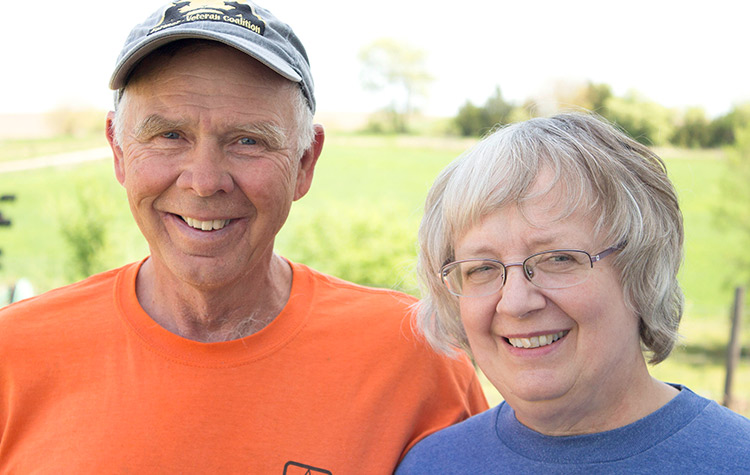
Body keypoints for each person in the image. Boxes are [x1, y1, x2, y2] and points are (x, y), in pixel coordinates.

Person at [0, 1, 487, 472]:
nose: (205, 180)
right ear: (119, 150)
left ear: (303, 162)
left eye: (248, 140)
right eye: (169, 135)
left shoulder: (416, 361)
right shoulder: (13, 357)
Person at [396, 112, 750, 473]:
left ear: (641, 269)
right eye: (482, 268)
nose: (516, 302)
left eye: (559, 259)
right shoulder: (430, 465)